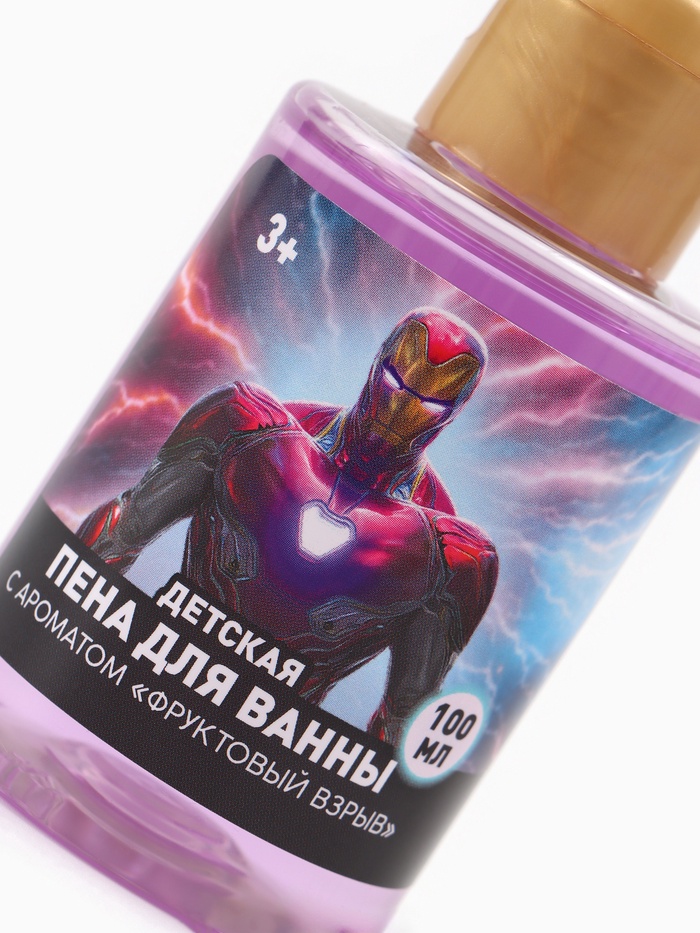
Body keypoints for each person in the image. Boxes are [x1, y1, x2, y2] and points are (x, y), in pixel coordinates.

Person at [79, 308, 498, 744]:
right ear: (378, 364)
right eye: (394, 382)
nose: (399, 409)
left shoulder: (450, 555)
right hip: (140, 674)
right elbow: (123, 530)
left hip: (256, 749)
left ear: (452, 413)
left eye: (428, 404)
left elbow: (404, 717)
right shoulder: (248, 424)